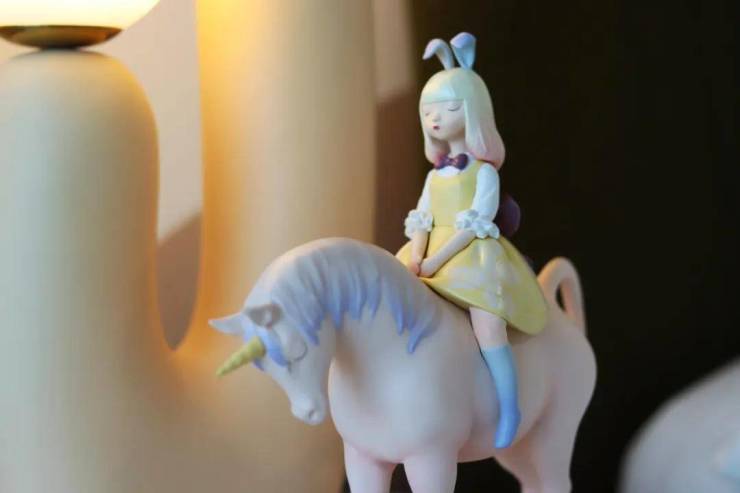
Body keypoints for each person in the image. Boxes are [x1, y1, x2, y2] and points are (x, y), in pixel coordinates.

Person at [396, 32, 547, 449]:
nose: (435, 119)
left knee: (487, 324)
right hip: (429, 252)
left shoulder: (484, 174)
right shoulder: (434, 176)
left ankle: (509, 405)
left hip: (470, 254)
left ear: (473, 111)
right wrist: (417, 256)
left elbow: (472, 226)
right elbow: (422, 218)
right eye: (428, 111)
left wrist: (435, 261)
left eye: (448, 108)